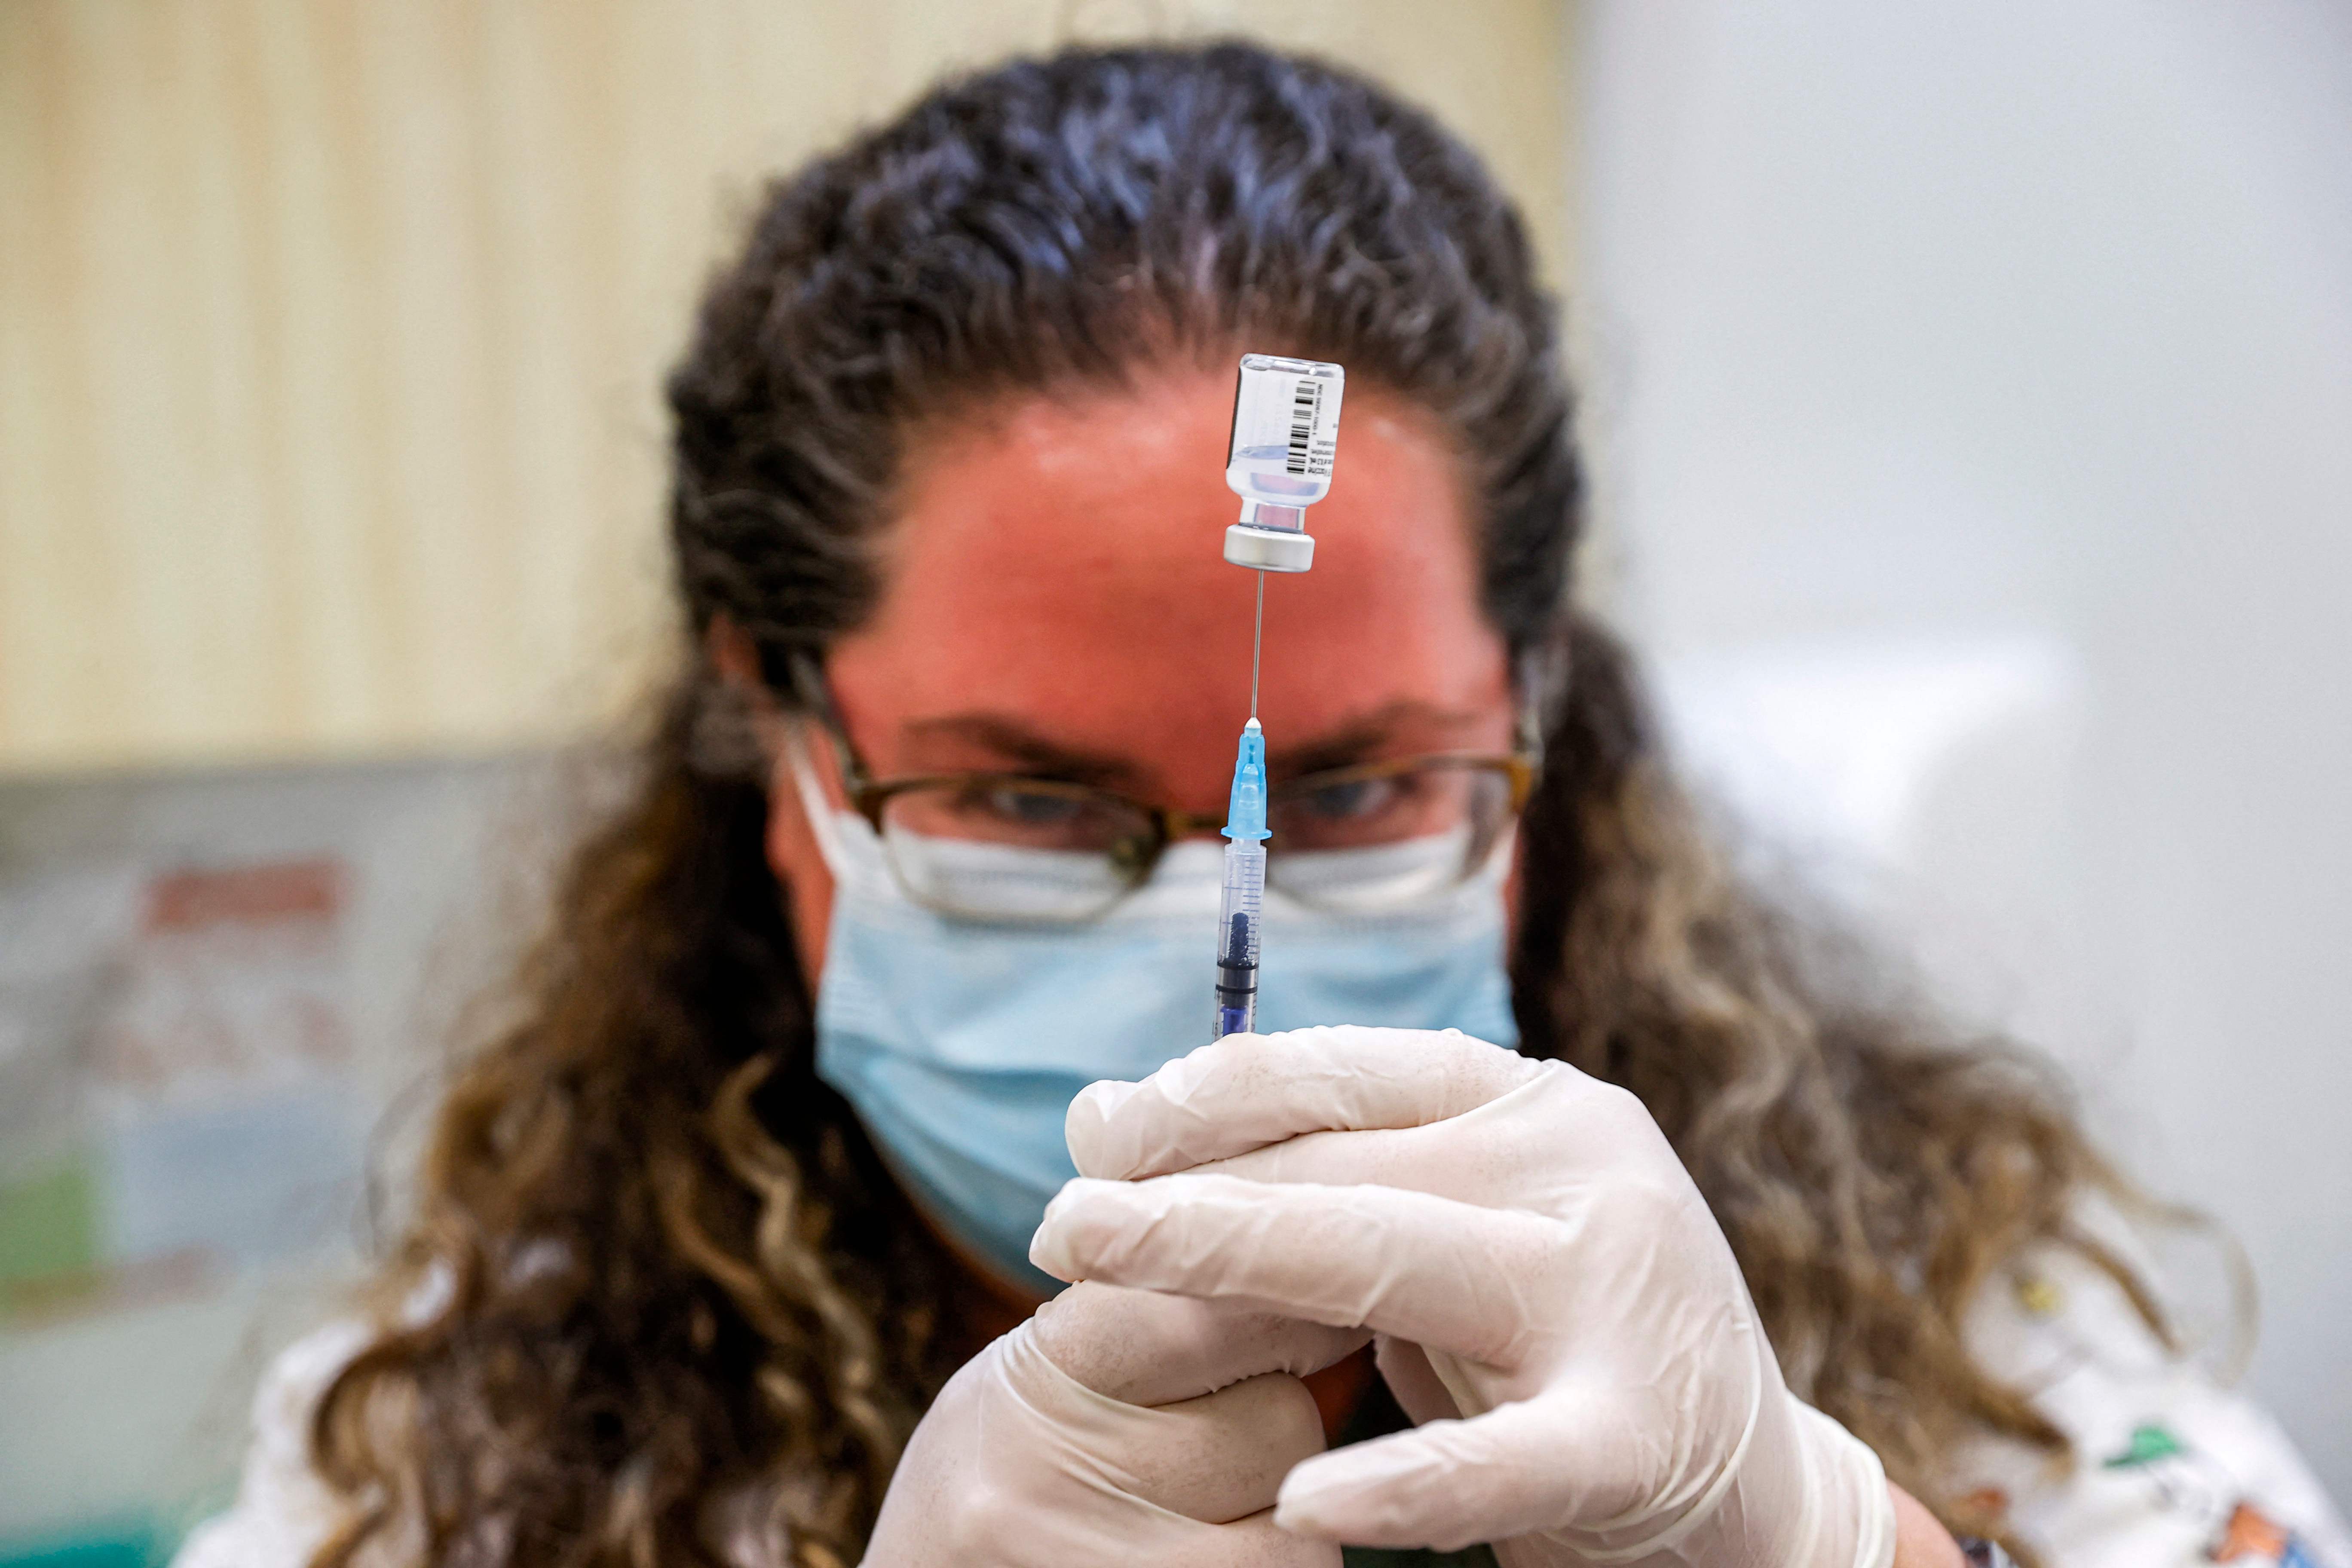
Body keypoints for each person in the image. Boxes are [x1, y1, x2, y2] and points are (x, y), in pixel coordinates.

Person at [176, 42, 2346, 1568]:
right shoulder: (448, 1461)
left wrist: (1821, 1538)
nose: (1205, 927)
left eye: (1362, 782)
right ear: (772, 740)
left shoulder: (1970, 1339)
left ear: (1537, 727)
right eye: (1023, 797)